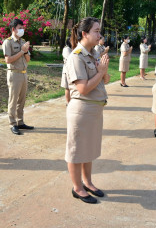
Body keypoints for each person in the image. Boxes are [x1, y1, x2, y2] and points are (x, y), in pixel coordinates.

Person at [65, 17, 110, 204]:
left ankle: (88, 182)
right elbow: (83, 88)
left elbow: (105, 80)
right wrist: (100, 72)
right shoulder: (76, 56)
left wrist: (103, 70)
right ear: (85, 34)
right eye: (96, 31)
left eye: (99, 31)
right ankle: (77, 188)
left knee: (89, 148)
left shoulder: (92, 55)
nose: (100, 35)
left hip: (94, 110)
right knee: (77, 151)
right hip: (82, 109)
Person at [2, 19, 34, 135]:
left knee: (22, 100)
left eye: (22, 28)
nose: (22, 30)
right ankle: (12, 124)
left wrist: (25, 52)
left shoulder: (23, 42)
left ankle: (20, 122)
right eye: (20, 28)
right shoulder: (8, 42)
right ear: (13, 29)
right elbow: (8, 60)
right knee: (13, 100)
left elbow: (28, 59)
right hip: (14, 74)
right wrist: (22, 51)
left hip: (23, 73)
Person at [61, 37, 73, 104]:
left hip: (73, 70)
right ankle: (68, 102)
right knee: (67, 88)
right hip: (67, 71)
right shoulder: (66, 49)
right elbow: (69, 59)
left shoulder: (72, 49)